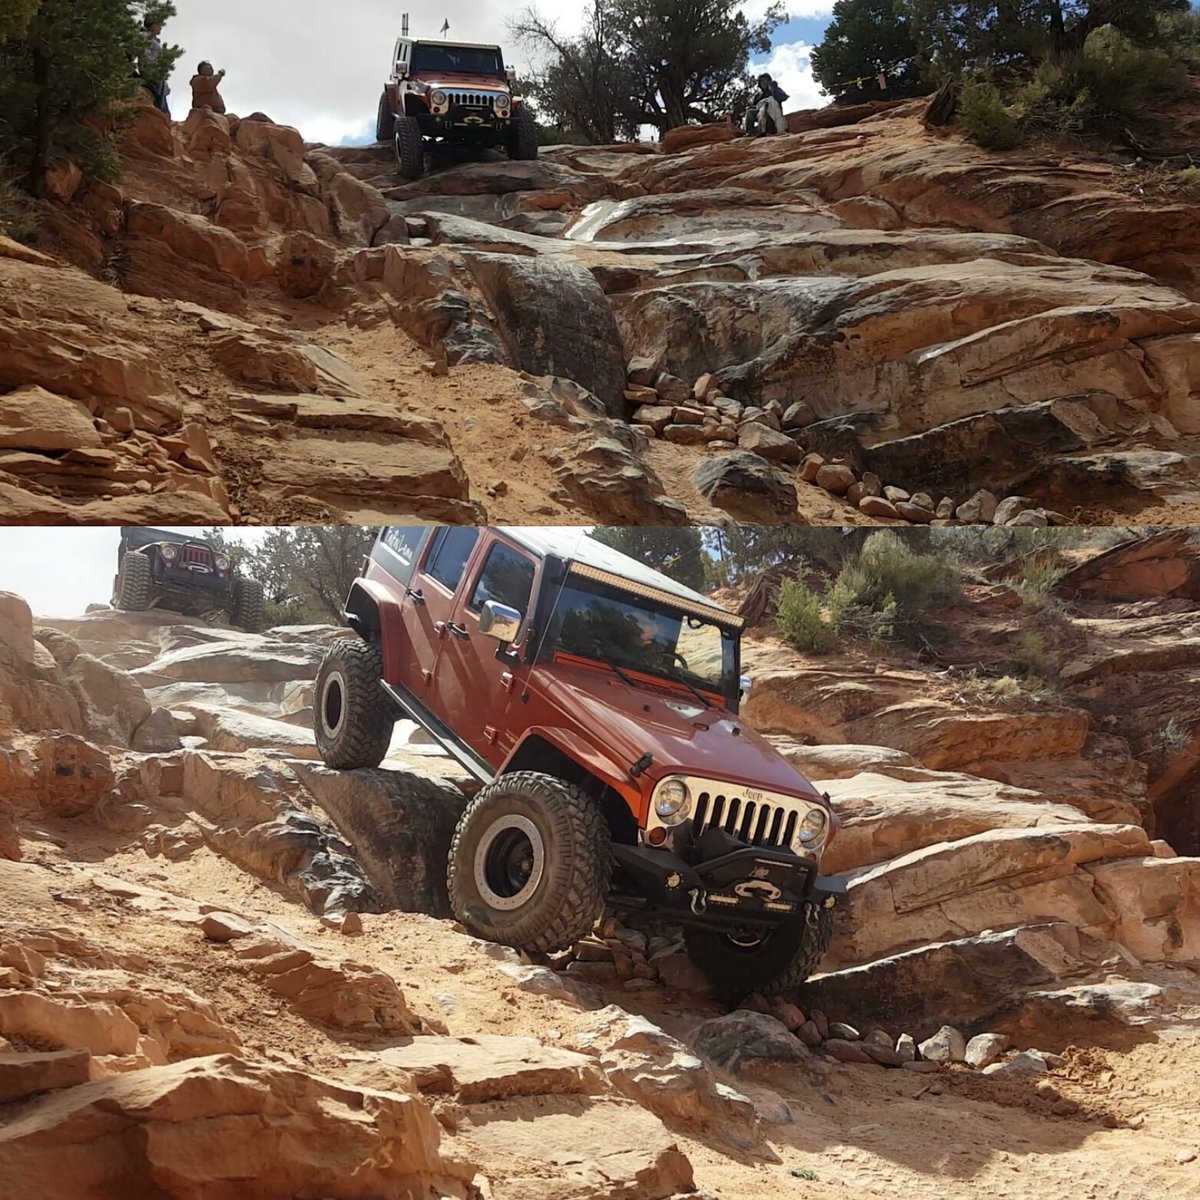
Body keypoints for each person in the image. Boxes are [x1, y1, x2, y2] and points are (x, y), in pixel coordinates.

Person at [140, 18, 172, 117]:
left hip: (158, 74)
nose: (160, 28)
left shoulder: (155, 40)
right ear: (153, 25)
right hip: (151, 72)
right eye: (159, 25)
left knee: (162, 105)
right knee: (158, 104)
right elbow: (146, 57)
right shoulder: (144, 37)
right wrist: (156, 65)